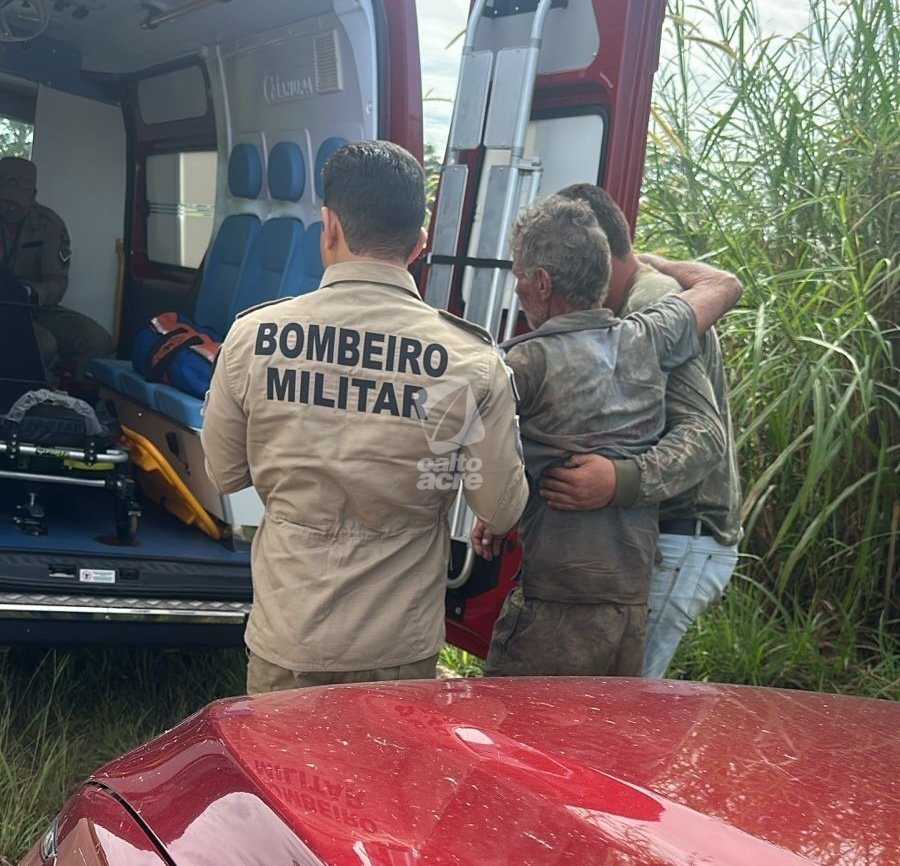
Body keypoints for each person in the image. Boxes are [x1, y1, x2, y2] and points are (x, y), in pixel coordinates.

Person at [201, 140, 529, 694]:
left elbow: (225, 473)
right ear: (420, 244)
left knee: (283, 777)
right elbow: (498, 507)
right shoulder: (468, 360)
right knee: (383, 781)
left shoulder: (254, 338)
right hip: (398, 646)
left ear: (328, 227)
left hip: (291, 633)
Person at [472, 195, 741, 678]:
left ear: (542, 282)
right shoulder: (648, 335)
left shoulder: (524, 361)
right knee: (611, 734)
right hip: (629, 603)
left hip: (559, 601)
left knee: (520, 735)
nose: (515, 290)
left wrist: (618, 480)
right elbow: (724, 285)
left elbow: (704, 435)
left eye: (517, 276)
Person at [0, 156, 113, 386]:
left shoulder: (49, 224)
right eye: (3, 200)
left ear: (32, 197)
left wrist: (31, 293)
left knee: (96, 339)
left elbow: (56, 282)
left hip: (34, 306)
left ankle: (70, 401)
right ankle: (20, 405)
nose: (8, 207)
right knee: (43, 344)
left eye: (16, 203)